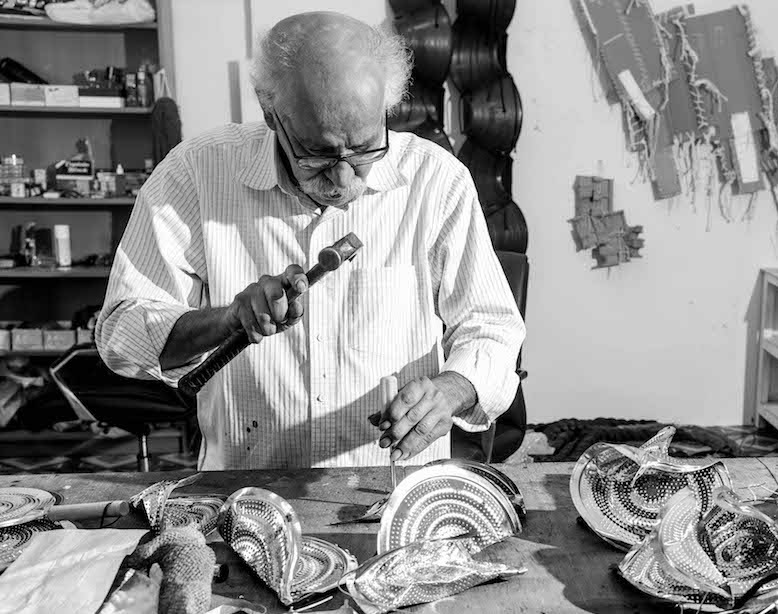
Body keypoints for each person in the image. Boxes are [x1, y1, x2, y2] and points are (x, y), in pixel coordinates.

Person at [95, 11, 525, 470]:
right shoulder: (196, 173)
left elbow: (491, 327)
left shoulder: (436, 179)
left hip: (394, 488)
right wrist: (226, 321)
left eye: (365, 149)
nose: (343, 178)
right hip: (244, 491)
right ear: (270, 113)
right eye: (317, 153)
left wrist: (452, 389)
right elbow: (122, 334)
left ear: (386, 107)